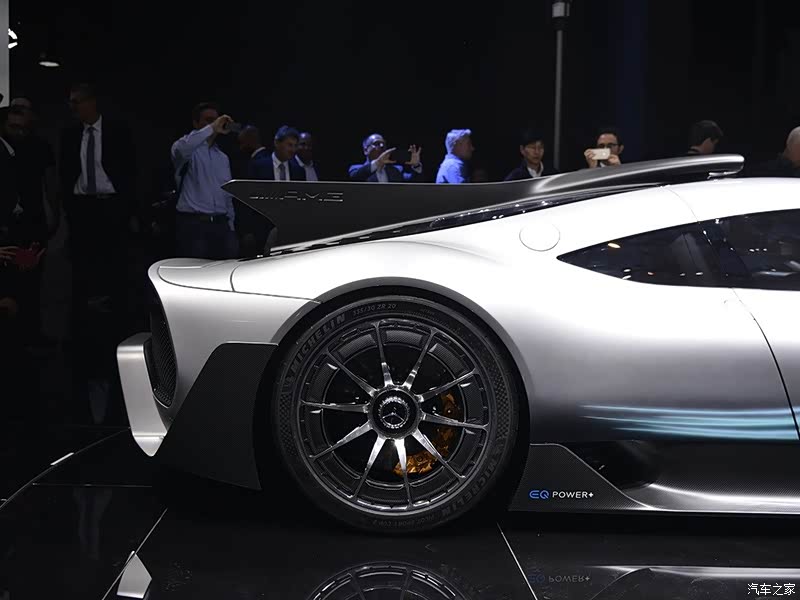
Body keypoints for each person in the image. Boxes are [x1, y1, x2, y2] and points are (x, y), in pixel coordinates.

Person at [59, 82, 136, 341]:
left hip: (111, 203)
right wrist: (69, 204)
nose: (72, 107)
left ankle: (116, 313)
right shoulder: (70, 134)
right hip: (83, 205)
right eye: (70, 102)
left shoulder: (117, 131)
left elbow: (130, 170)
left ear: (91, 102)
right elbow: (65, 171)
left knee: (114, 258)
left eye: (76, 102)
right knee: (82, 259)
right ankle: (84, 315)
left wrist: (128, 206)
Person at [171, 102, 238, 260]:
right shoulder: (185, 148)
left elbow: (227, 193)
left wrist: (231, 226)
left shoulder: (222, 157)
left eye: (215, 120)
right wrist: (212, 127)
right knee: (197, 271)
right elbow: (182, 149)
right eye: (208, 120)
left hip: (221, 225)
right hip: (195, 225)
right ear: (196, 123)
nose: (215, 124)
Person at [348, 133, 423, 182]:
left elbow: (414, 183)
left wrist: (416, 165)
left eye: (383, 144)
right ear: (365, 150)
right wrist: (378, 162)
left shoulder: (396, 170)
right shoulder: (355, 169)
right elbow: (356, 178)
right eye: (377, 144)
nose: (381, 146)